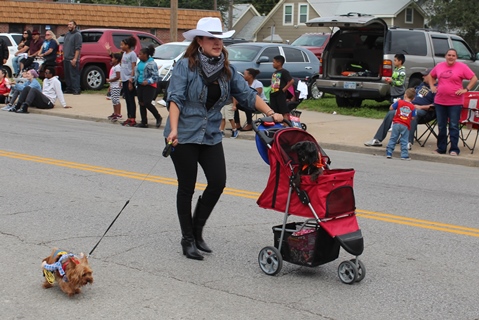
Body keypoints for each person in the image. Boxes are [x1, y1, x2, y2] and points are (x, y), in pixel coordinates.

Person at [164, 17, 283, 261]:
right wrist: (173, 129)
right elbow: (175, 98)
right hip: (183, 134)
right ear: (199, 41)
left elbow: (248, 95)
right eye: (211, 38)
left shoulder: (227, 70)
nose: (217, 43)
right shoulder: (185, 66)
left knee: (217, 182)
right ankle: (187, 239)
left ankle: (197, 232)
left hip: (210, 135)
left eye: (219, 38)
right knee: (186, 187)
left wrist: (272, 113)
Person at [364, 69, 436, 150]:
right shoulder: (422, 84)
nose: (423, 77)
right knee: (392, 113)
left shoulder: (436, 88)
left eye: (425, 75)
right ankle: (377, 139)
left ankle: (407, 142)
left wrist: (420, 107)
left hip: (424, 112)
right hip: (409, 107)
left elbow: (435, 105)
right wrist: (402, 101)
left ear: (431, 76)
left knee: (412, 113)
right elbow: (410, 95)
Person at [427, 48, 478, 156]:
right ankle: (441, 148)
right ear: (445, 56)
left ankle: (454, 149)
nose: (451, 57)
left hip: (455, 102)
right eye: (449, 55)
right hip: (440, 101)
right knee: (441, 125)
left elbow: (474, 78)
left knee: (454, 125)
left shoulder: (462, 67)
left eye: (453, 55)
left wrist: (466, 89)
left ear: (456, 57)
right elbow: (431, 76)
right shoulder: (439, 66)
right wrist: (432, 86)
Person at [106, 36, 138, 127]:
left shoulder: (132, 54)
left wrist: (131, 80)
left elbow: (133, 68)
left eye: (122, 45)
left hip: (129, 79)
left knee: (131, 100)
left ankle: (133, 118)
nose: (121, 46)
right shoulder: (124, 54)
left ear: (127, 45)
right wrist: (121, 80)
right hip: (123, 79)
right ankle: (129, 117)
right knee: (127, 99)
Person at [134, 45, 162, 128]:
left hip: (149, 86)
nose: (138, 55)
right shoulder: (139, 63)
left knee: (147, 103)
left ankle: (158, 117)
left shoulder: (152, 64)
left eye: (140, 54)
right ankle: (144, 122)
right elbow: (138, 73)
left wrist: (148, 81)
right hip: (140, 85)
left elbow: (156, 76)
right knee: (141, 103)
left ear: (145, 55)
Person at [386, 88, 416, 160]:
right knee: (404, 140)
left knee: (393, 138)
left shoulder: (399, 102)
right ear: (413, 98)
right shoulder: (413, 107)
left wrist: (396, 102)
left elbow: (391, 108)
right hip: (405, 125)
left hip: (396, 123)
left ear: (405, 95)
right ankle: (404, 155)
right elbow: (413, 118)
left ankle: (389, 152)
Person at [270, 55, 294, 120]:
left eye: (274, 62)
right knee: (275, 110)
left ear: (279, 63)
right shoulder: (275, 72)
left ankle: (286, 124)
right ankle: (278, 123)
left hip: (280, 94)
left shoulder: (284, 72)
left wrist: (284, 89)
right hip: (273, 93)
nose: (273, 64)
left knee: (283, 110)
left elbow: (291, 81)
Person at [63, 20, 82, 95]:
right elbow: (65, 46)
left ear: (75, 25)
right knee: (67, 75)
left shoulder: (77, 35)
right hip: (66, 58)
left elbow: (78, 48)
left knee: (74, 75)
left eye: (71, 24)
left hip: (73, 58)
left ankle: (76, 89)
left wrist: (75, 59)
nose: (69, 26)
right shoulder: (67, 34)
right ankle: (69, 88)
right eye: (68, 25)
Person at [106, 52, 122, 122]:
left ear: (117, 59)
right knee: (113, 100)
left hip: (116, 85)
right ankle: (115, 113)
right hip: (113, 85)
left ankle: (118, 113)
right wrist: (110, 85)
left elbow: (118, 77)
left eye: (113, 58)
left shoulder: (118, 67)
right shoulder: (114, 67)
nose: (112, 59)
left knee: (116, 99)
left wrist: (110, 80)